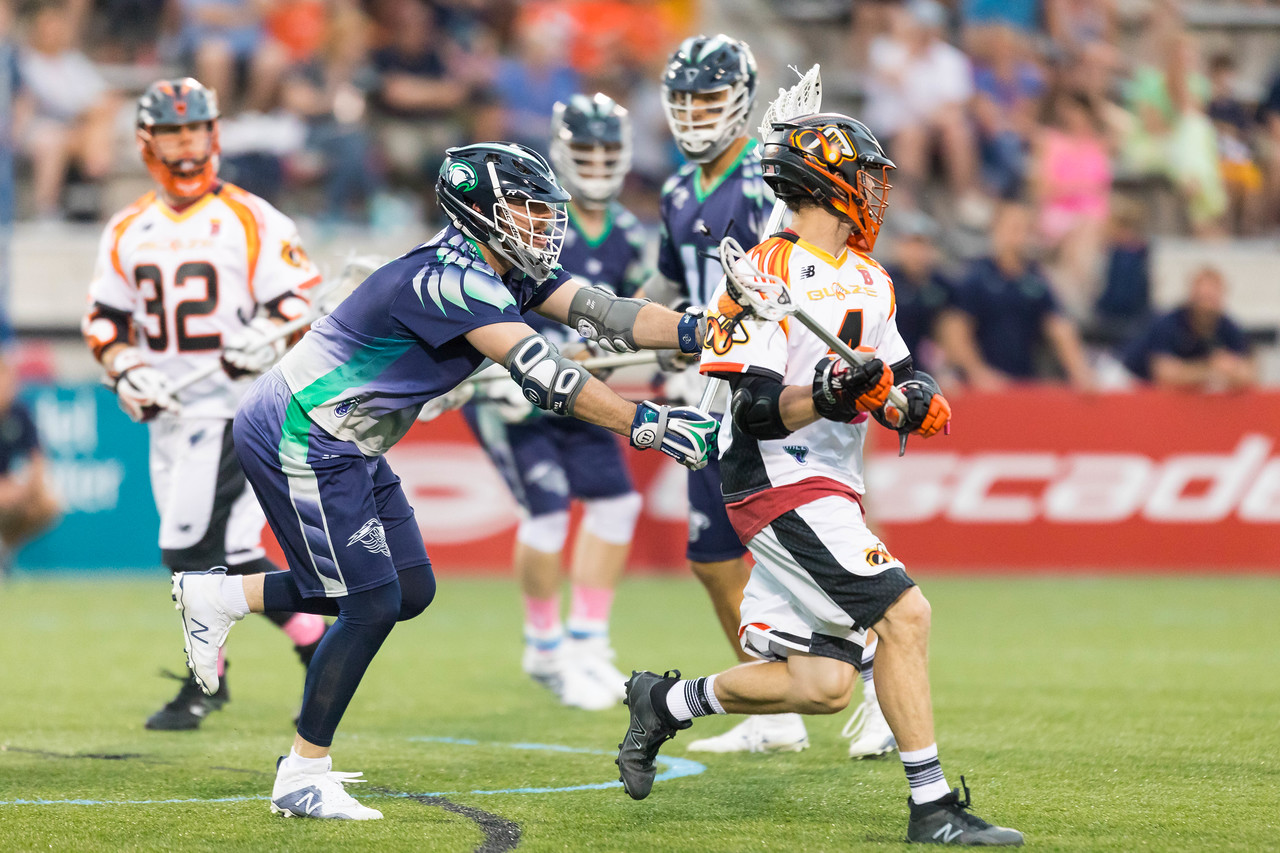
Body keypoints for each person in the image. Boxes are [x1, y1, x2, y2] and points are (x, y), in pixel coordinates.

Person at [169, 141, 718, 820]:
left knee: (409, 590)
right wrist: (652, 425)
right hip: (304, 430)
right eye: (524, 207)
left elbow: (609, 313)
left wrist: (702, 330)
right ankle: (302, 771)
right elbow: (551, 378)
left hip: (346, 438)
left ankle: (220, 595)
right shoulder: (455, 279)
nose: (541, 223)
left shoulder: (501, 265)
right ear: (481, 209)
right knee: (368, 602)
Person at [615, 112, 1024, 846]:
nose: (878, 191)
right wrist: (834, 394)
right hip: (774, 480)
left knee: (823, 684)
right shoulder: (760, 274)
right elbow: (759, 409)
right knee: (907, 614)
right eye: (867, 176)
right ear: (827, 180)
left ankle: (666, 702)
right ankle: (931, 807)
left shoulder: (871, 277)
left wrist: (915, 400)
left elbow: (895, 377)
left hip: (833, 481)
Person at [81, 78, 329, 731]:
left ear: (213, 135)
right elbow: (105, 322)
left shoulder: (252, 217)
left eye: (194, 130)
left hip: (238, 409)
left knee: (188, 548)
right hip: (171, 413)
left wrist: (263, 339)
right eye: (173, 132)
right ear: (148, 141)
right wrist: (128, 369)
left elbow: (302, 302)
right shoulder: (128, 227)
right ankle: (313, 638)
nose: (185, 144)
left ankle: (204, 683)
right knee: (226, 553)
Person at [465, 94, 648, 710]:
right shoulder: (523, 212)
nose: (597, 161)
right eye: (586, 149)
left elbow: (629, 313)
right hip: (513, 391)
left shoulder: (627, 233)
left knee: (617, 503)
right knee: (546, 513)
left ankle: (588, 640)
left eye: (607, 149)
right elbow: (481, 295)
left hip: (578, 392)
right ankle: (543, 646)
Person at [653, 33, 809, 754]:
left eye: (708, 100)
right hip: (704, 388)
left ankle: (873, 682)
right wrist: (603, 336)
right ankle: (771, 701)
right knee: (714, 557)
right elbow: (666, 292)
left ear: (742, 102)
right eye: (683, 100)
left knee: (803, 542)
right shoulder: (678, 190)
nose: (693, 114)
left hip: (767, 387)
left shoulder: (768, 178)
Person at [935, 202, 1094, 390]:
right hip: (981, 387)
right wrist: (979, 373)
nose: (1018, 236)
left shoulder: (1035, 279)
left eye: (1025, 229)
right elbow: (954, 330)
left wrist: (1080, 372)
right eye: (1013, 228)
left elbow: (1058, 326)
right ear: (996, 230)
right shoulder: (976, 277)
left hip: (1023, 383)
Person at [1121, 266, 1255, 390]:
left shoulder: (1228, 327)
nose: (1206, 307)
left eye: (1211, 299)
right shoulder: (1168, 324)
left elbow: (1250, 373)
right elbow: (1164, 373)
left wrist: (1232, 370)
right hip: (1128, 376)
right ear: (1191, 296)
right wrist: (1211, 368)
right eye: (1201, 299)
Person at [0, 353, 60, 574]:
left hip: (9, 487)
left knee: (47, 505)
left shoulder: (19, 412)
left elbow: (37, 457)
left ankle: (5, 549)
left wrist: (28, 488)